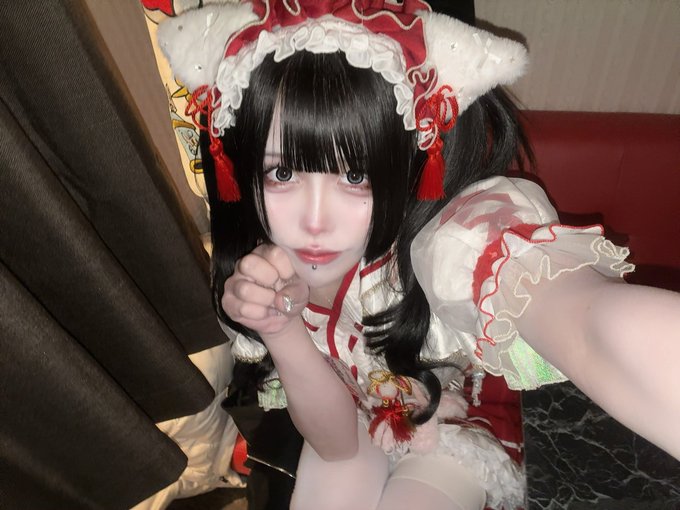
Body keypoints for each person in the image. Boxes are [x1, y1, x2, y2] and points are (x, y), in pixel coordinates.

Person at [157, 1, 680, 509]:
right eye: (284, 172)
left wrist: (584, 311)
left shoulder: (445, 241)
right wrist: (281, 328)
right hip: (351, 419)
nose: (314, 221)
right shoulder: (261, 272)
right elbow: (338, 449)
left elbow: (586, 325)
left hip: (455, 421)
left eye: (355, 175)